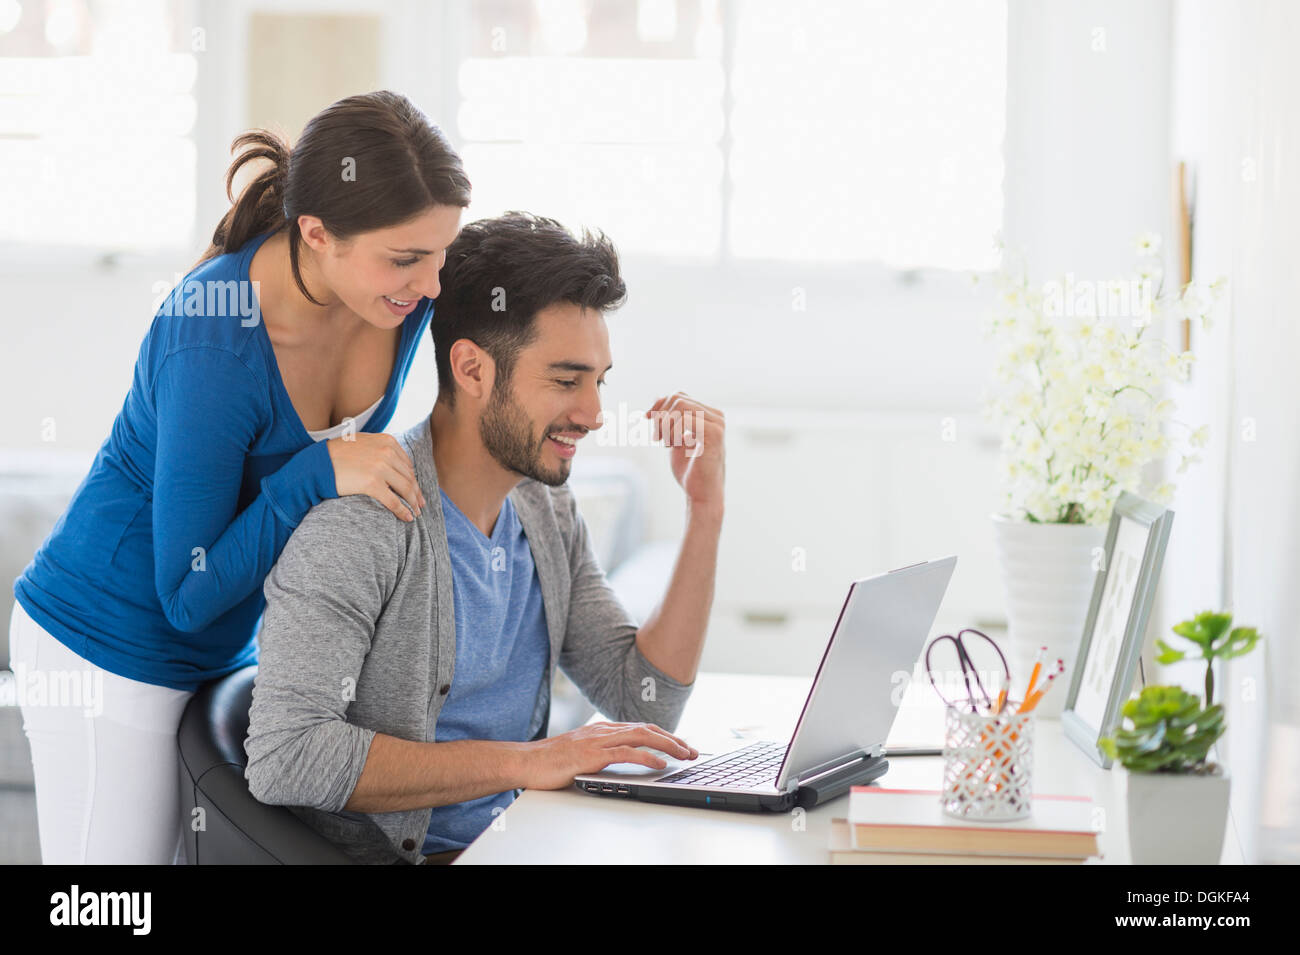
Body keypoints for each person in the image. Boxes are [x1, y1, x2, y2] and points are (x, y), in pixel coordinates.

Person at [8, 90, 469, 864]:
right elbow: (186, 595)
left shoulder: (401, 290)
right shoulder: (213, 339)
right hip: (109, 642)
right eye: (407, 258)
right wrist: (315, 471)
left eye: (442, 253)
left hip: (232, 647)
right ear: (317, 234)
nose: (431, 283)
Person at [244, 212, 726, 864]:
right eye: (565, 380)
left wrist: (705, 509)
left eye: (597, 380)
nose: (591, 414)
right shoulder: (361, 523)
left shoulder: (545, 507)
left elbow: (646, 696)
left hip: (533, 842)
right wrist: (531, 760)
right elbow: (287, 756)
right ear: (472, 369)